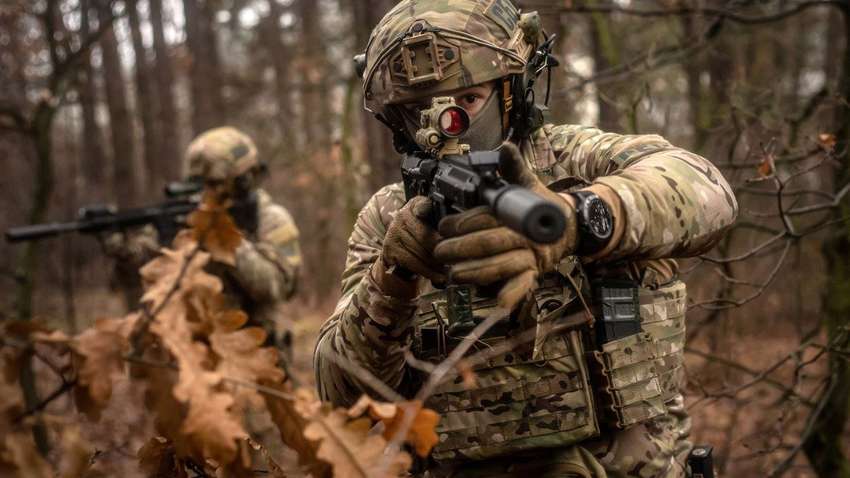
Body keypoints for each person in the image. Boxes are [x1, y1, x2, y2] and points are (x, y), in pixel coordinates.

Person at [314, 1, 737, 476]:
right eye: (418, 110)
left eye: (468, 99)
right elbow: (337, 393)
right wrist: (391, 282)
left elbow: (708, 190)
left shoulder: (577, 160)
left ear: (510, 90)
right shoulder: (389, 218)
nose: (446, 123)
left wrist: (579, 217)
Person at [101, 127, 302, 347]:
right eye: (198, 183)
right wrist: (125, 254)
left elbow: (277, 287)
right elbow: (138, 278)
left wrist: (225, 238)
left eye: (215, 183)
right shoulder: (183, 217)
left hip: (255, 349)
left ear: (243, 181)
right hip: (191, 352)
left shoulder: (271, 219)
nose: (205, 193)